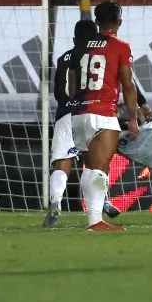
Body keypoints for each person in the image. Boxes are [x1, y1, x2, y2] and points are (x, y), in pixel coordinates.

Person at [68, 1, 141, 231]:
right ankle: (95, 222)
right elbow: (128, 85)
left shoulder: (82, 45)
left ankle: (93, 218)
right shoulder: (120, 46)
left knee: (89, 166)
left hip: (79, 114)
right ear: (119, 21)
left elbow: (71, 80)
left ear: (97, 22)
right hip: (103, 113)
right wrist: (132, 117)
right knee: (101, 168)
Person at [43, 18, 99, 228]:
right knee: (94, 164)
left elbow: (58, 93)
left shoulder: (63, 58)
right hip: (90, 113)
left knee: (62, 164)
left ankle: (56, 201)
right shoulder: (98, 55)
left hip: (66, 113)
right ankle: (102, 202)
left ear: (74, 39)